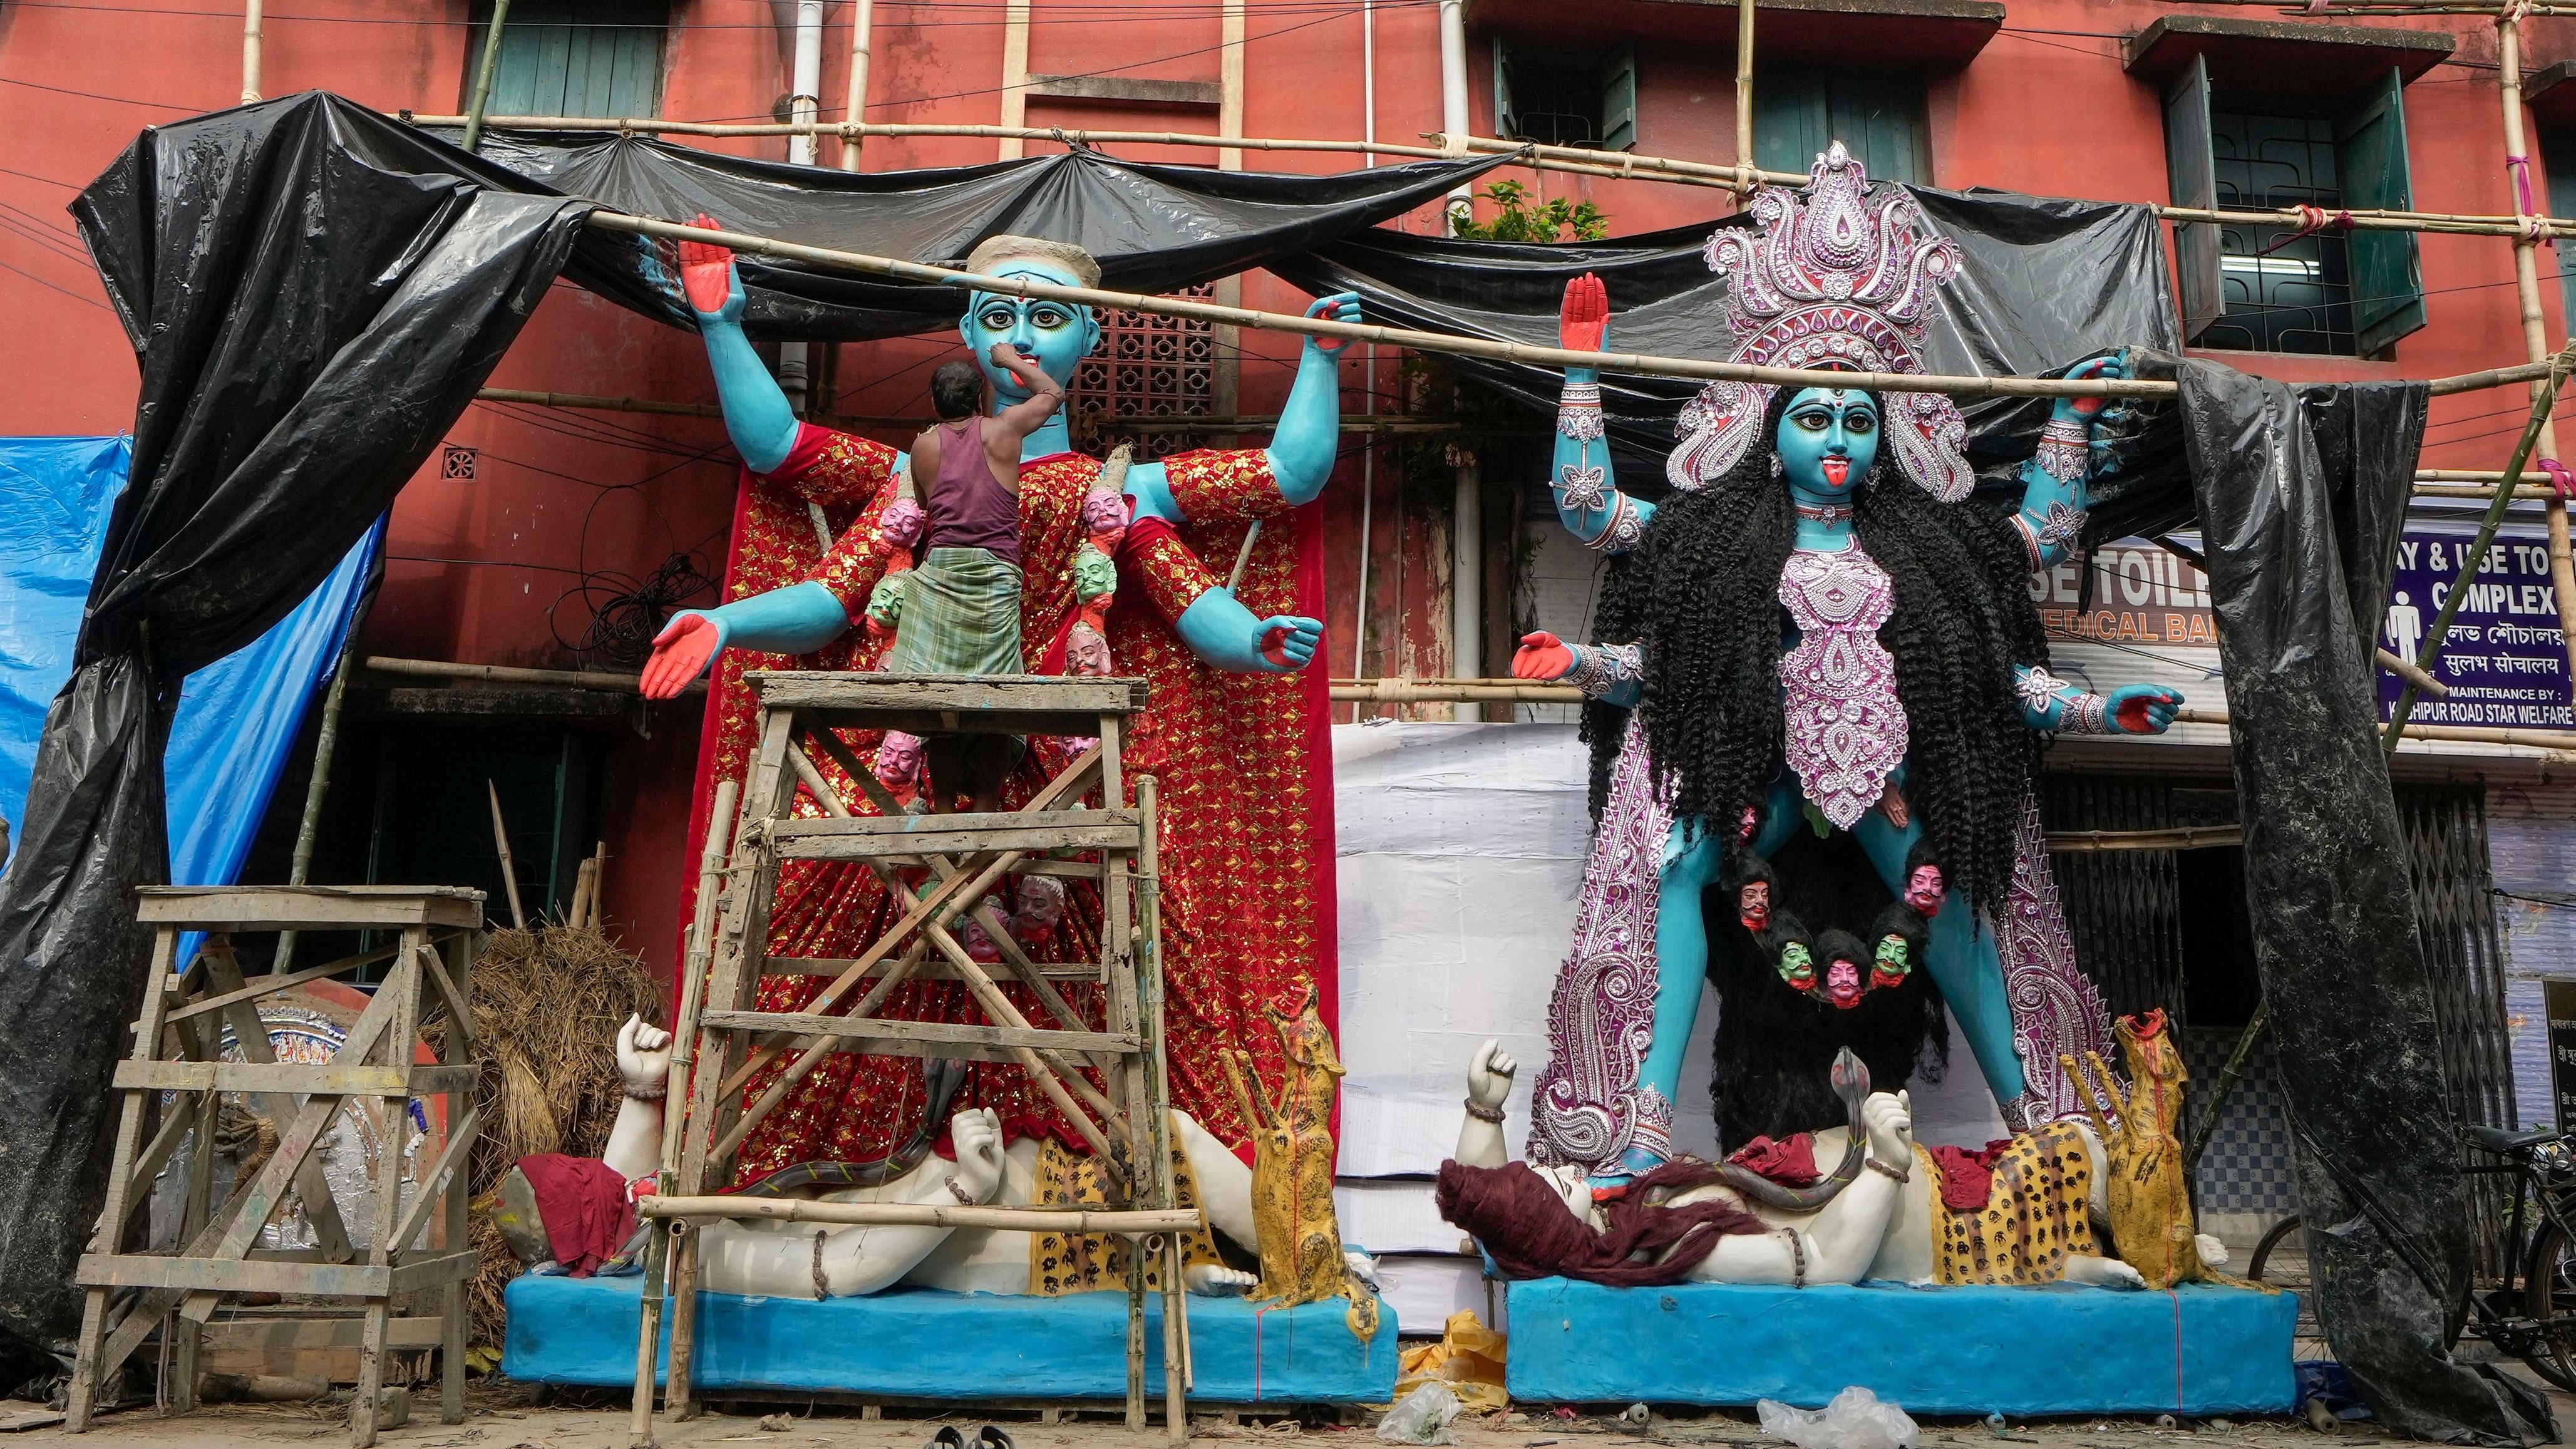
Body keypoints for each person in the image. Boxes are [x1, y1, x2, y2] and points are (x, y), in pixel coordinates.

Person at [1515, 146, 2185, 1188]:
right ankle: (1635, 1118)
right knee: (1676, 860)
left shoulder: (1931, 547)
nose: (1835, 436)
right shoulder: (1714, 538)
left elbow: (2033, 558)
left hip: (1888, 781)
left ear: (1886, 434)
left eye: (1856, 417)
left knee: (1961, 889)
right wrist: (1580, 375)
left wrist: (2070, 426)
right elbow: (1594, 514)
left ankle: (2051, 1124)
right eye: (1813, 415)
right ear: (1766, 424)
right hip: (1765, 786)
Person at [633, 225, 1364, 1176]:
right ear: (969, 337)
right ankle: (810, 1163)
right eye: (1000, 315)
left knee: (1125, 941)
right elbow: (813, 543)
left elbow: (1264, 504)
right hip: (921, 757)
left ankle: (1105, 1168)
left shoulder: (1115, 488)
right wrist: (728, 619)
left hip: (1061, 772)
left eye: (1047, 315)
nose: (1021, 334)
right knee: (833, 922)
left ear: (1089, 337)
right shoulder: (922, 467)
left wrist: (1315, 368)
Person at [870, 352, 1062, 810]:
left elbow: (921, 502)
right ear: (981, 397)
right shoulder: (1003, 429)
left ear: (935, 406)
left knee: (941, 703)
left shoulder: (923, 447)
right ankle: (985, 804)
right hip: (994, 576)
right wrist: (1009, 359)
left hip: (940, 576)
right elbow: (1052, 393)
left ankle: (940, 806)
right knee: (993, 697)